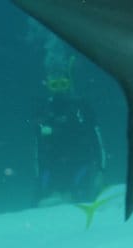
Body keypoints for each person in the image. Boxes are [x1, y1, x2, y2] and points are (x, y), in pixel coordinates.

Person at [33, 63, 106, 206]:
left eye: (63, 84)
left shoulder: (82, 107)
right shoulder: (43, 112)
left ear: (69, 84)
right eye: (54, 85)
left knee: (83, 200)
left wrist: (101, 171)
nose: (59, 89)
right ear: (48, 86)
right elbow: (37, 149)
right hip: (52, 166)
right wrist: (38, 177)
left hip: (81, 163)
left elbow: (97, 140)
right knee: (44, 202)